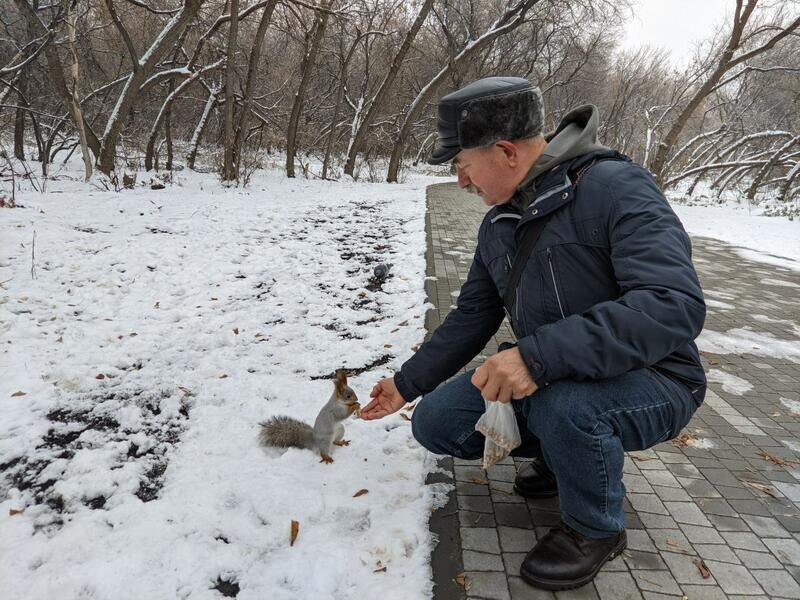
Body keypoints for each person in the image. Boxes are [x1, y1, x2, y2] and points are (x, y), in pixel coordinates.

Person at [360, 76, 706, 591]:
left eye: (461, 165)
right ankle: (563, 457)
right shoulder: (498, 223)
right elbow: (472, 316)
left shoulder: (617, 188)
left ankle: (596, 528)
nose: (461, 182)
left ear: (504, 152)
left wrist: (533, 358)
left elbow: (672, 304)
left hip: (655, 380)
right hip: (558, 372)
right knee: (436, 422)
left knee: (565, 407)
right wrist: (407, 384)